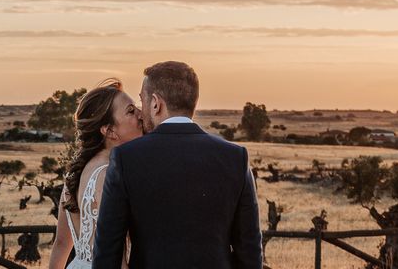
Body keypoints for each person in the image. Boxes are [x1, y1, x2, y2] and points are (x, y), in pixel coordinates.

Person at [93, 61, 263, 269]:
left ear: (156, 103)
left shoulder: (125, 159)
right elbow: (250, 254)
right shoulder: (236, 157)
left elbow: (107, 255)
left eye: (142, 101)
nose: (141, 110)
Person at [48, 79, 143, 269]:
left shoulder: (76, 174)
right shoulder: (109, 174)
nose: (141, 114)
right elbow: (115, 256)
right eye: (131, 111)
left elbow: (60, 245)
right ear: (109, 130)